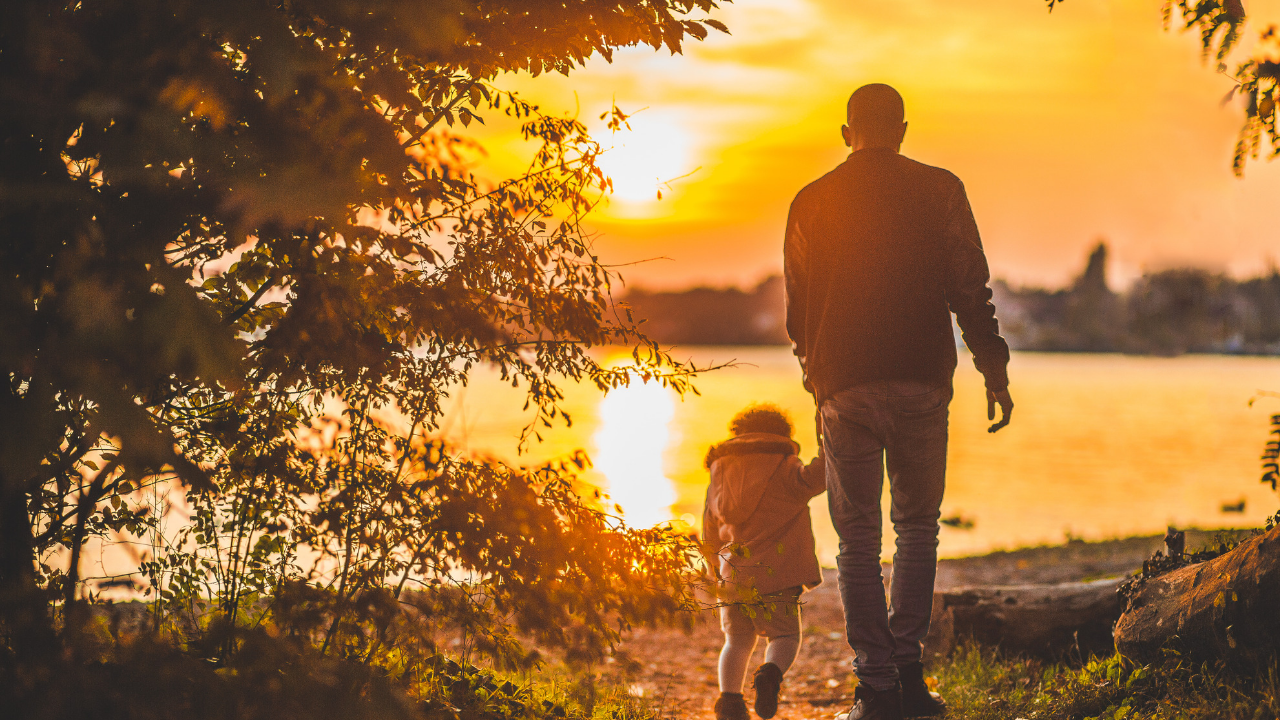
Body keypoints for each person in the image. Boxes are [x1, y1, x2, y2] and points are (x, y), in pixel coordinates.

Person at [783, 83, 1014, 720]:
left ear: (845, 132)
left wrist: (816, 379)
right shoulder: (941, 189)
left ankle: (876, 688)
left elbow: (799, 311)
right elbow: (971, 286)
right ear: (904, 130)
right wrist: (993, 367)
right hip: (919, 378)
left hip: (845, 386)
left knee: (857, 542)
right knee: (917, 528)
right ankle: (908, 678)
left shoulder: (811, 201)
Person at [702, 404, 826, 720]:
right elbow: (820, 476)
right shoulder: (785, 467)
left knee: (736, 642)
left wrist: (713, 571)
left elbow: (709, 529)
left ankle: (729, 701)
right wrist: (828, 435)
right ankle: (770, 674)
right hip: (777, 575)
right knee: (784, 636)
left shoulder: (719, 472)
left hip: (732, 576)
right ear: (781, 435)